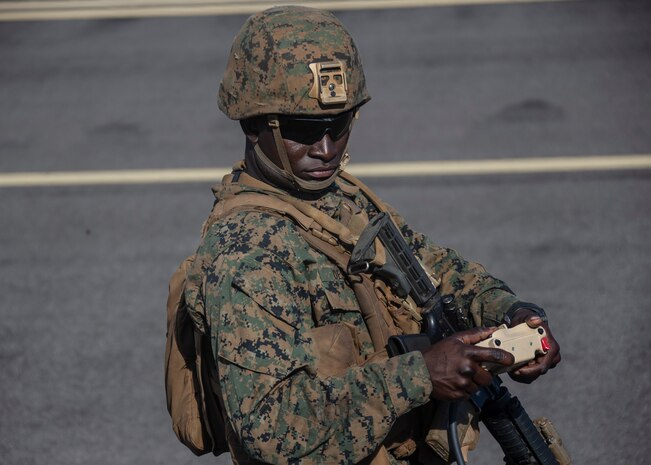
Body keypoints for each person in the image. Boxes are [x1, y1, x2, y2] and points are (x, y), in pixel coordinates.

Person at [185, 5, 561, 465]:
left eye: (339, 126)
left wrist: (512, 315)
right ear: (253, 122)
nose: (325, 149)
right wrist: (420, 376)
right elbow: (271, 427)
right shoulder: (246, 253)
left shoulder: (336, 198)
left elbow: (432, 269)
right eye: (304, 130)